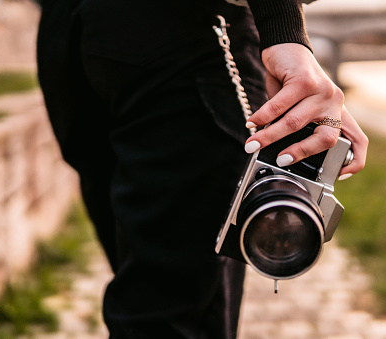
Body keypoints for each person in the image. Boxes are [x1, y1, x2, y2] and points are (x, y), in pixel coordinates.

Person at [36, 0, 368, 338]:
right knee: (172, 313)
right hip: (186, 34)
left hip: (69, 31)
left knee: (148, 287)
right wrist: (283, 28)